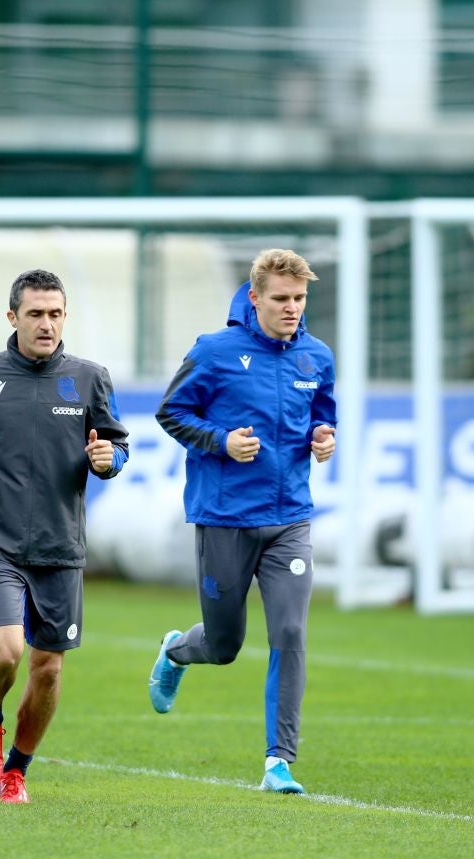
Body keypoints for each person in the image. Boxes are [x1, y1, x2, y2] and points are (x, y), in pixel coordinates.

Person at [0, 268, 129, 805]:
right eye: (35, 313)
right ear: (12, 317)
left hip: (60, 546)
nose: (47, 324)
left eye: (56, 313)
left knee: (50, 669)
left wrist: (109, 460)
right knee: (7, 650)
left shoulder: (88, 378)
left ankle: (17, 770)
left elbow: (114, 446)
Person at [148, 248, 336, 794]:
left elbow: (323, 416)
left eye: (300, 299)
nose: (292, 308)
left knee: (291, 631)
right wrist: (221, 441)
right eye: (281, 299)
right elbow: (171, 412)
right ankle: (176, 650)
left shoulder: (317, 357)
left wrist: (325, 438)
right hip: (225, 518)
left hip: (289, 520)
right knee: (225, 645)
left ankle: (279, 761)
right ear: (254, 298)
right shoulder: (214, 352)